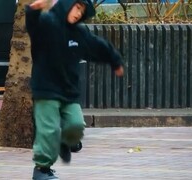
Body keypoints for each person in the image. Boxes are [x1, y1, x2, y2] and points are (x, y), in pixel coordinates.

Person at [25, 0, 124, 179]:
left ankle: (65, 142)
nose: (79, 13)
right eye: (77, 7)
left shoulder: (79, 33)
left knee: (76, 125)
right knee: (49, 130)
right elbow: (34, 27)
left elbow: (98, 46)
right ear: (66, 4)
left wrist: (114, 60)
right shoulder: (48, 24)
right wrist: (33, 11)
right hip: (46, 89)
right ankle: (42, 170)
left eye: (82, 10)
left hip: (68, 91)